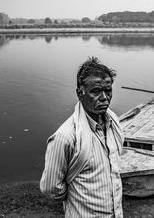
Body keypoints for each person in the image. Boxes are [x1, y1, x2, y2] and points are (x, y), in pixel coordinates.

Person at [40, 57, 124, 217]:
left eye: (108, 90)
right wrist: (78, 196)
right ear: (80, 93)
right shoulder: (66, 137)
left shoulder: (113, 122)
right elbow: (51, 189)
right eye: (96, 91)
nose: (104, 98)